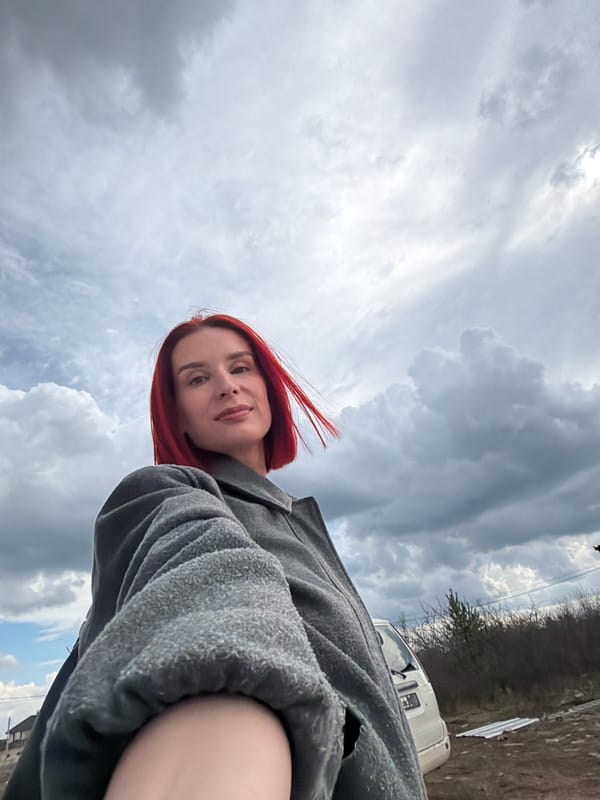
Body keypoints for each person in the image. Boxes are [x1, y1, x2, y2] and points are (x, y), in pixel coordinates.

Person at [5, 313, 427, 800]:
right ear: (176, 412)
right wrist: (229, 692)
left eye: (241, 368)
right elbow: (214, 606)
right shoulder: (164, 495)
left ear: (268, 386)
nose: (227, 387)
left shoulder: (298, 525)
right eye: (198, 378)